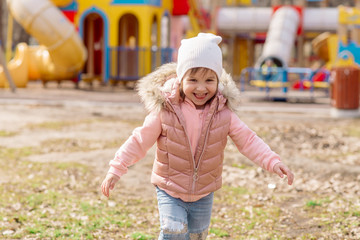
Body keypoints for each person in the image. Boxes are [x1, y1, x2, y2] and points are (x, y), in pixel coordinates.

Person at [101, 33, 294, 239]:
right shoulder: (165, 110)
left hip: (204, 191)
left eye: (209, 80)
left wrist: (272, 161)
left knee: (196, 236)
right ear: (181, 78)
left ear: (218, 80)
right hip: (169, 187)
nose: (201, 88)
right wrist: (116, 168)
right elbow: (139, 140)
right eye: (193, 80)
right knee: (173, 233)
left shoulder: (223, 113)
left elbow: (248, 140)